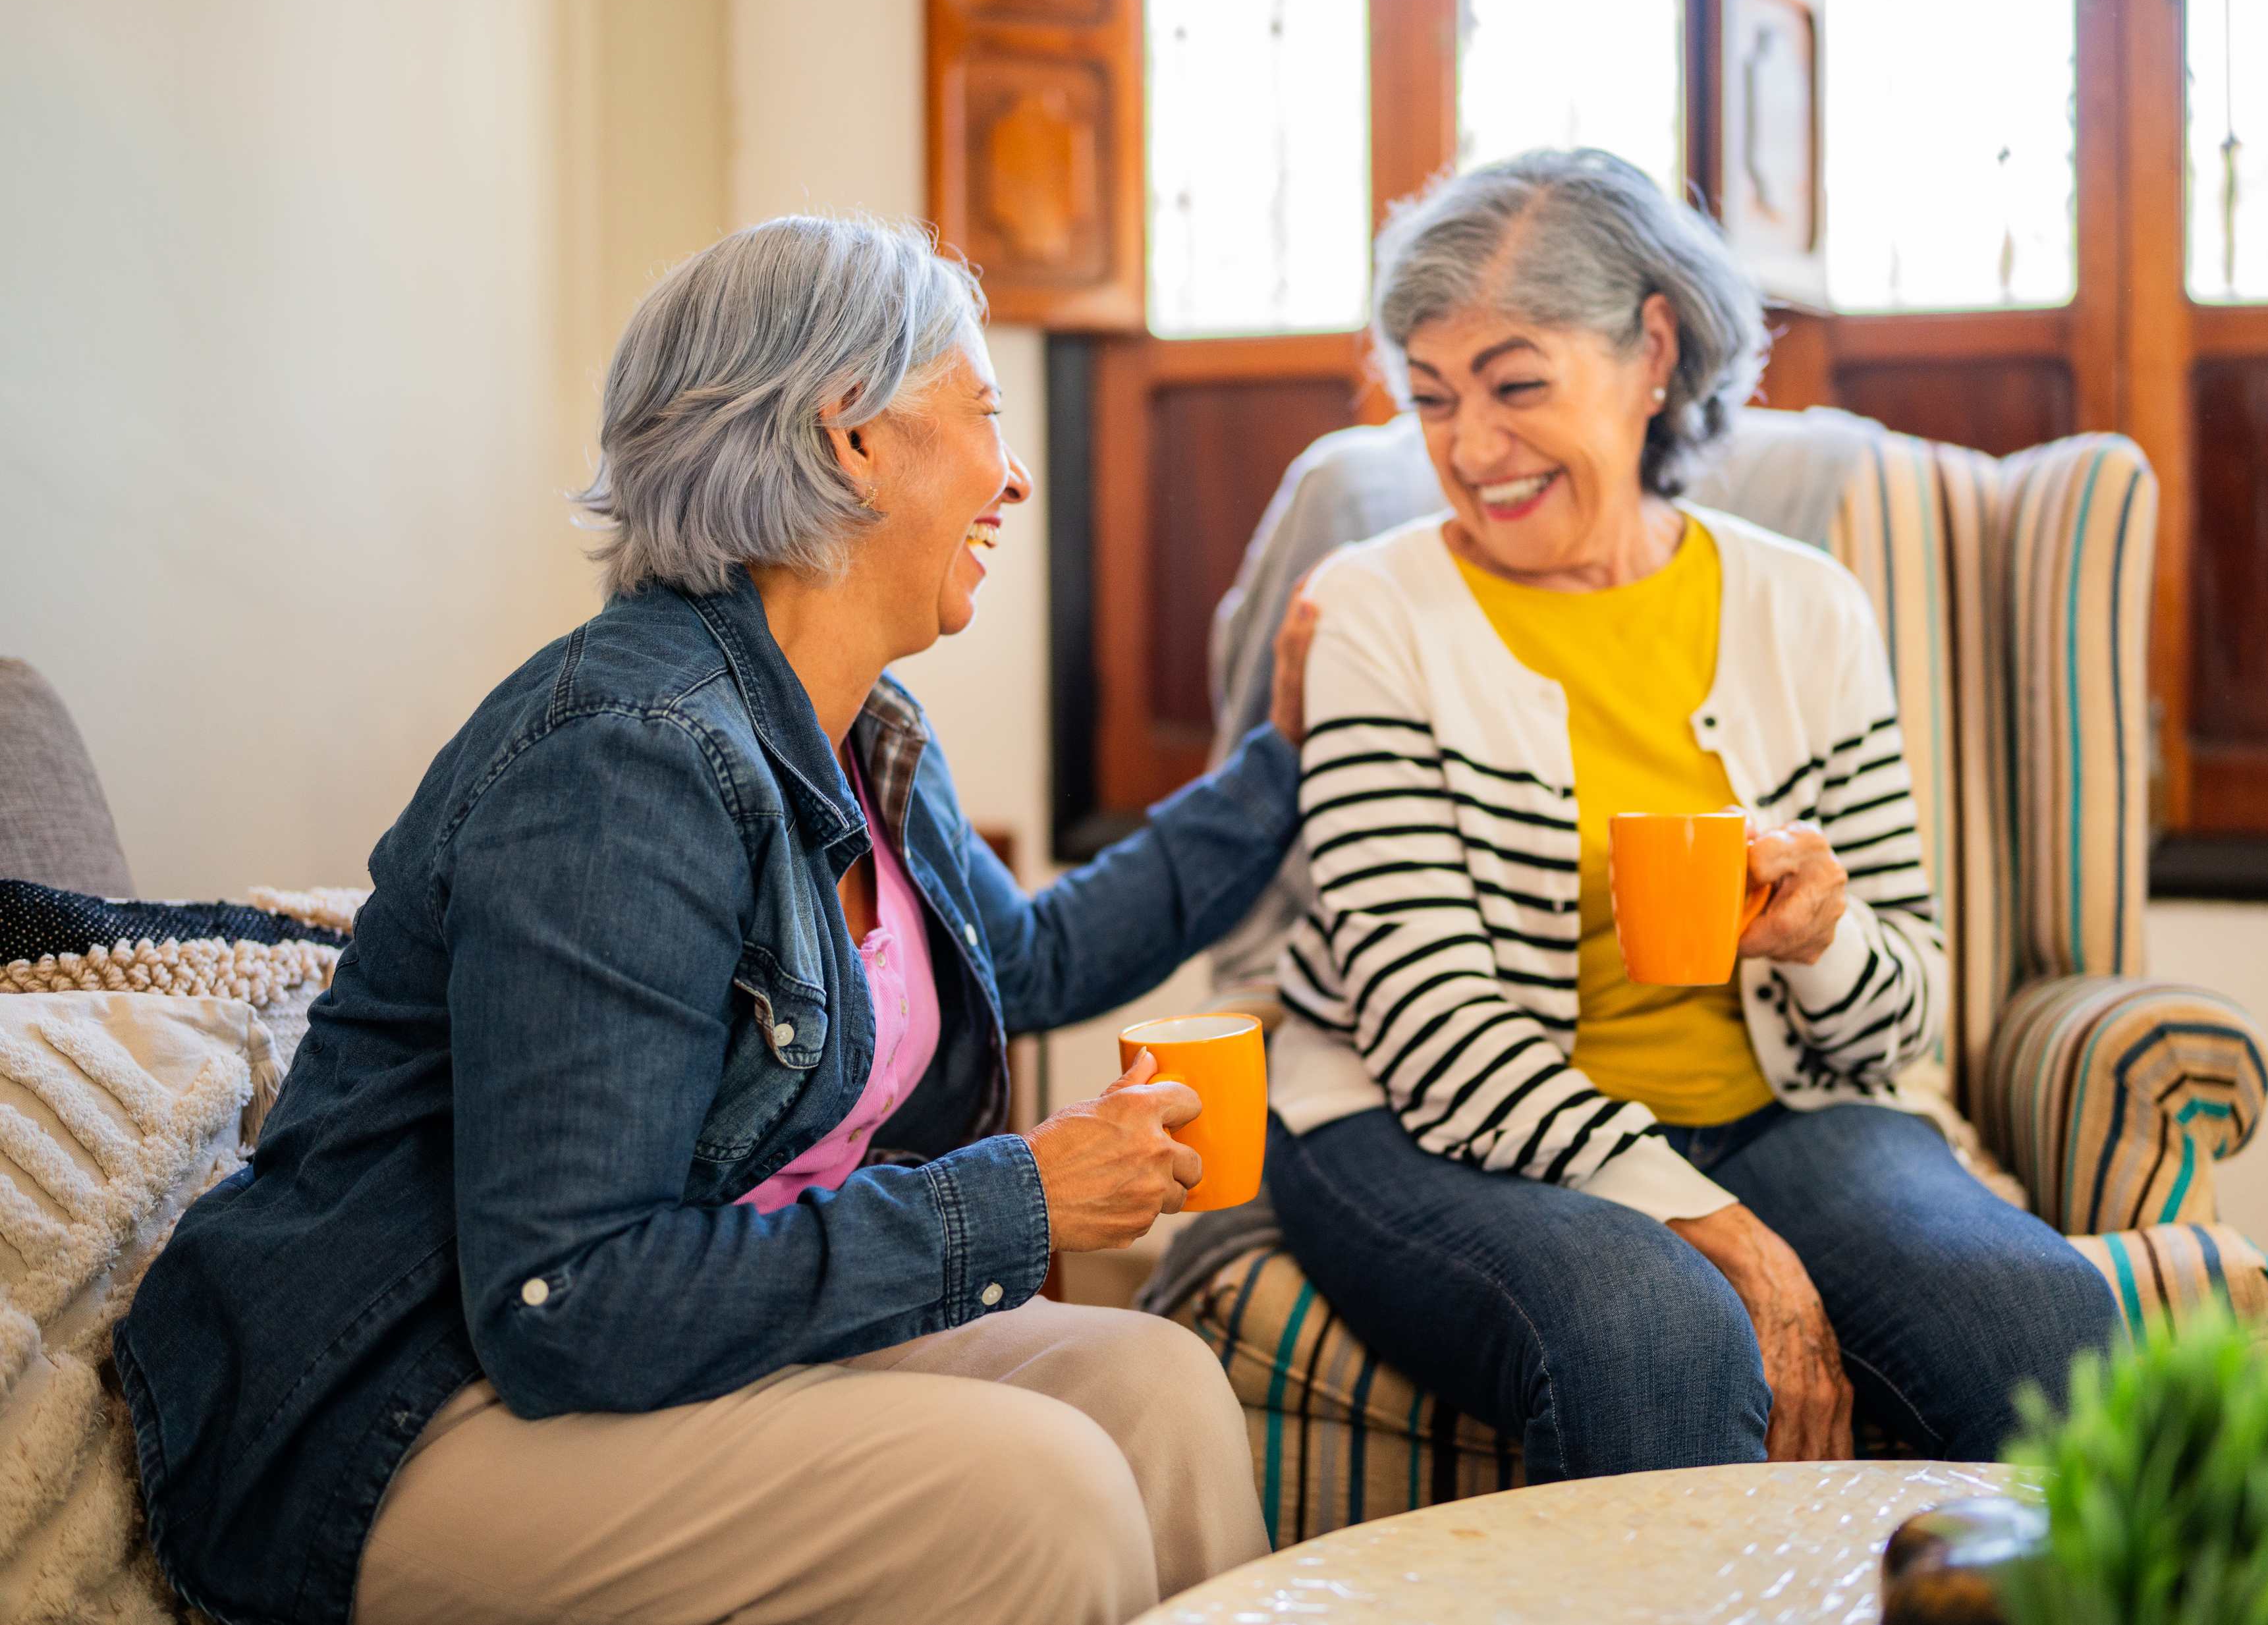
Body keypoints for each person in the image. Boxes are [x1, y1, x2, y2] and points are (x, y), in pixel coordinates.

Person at [116, 215, 1317, 1625]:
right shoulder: (626, 759)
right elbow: (571, 1296)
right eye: (984, 412)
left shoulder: (856, 727)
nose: (1018, 472)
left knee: (1159, 1387)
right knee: (1041, 1487)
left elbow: (1035, 956)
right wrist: (1020, 1197)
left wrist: (1280, 765)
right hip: (406, 1406)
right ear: (852, 437)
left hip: (690, 1347)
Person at [1264, 149, 2120, 1481]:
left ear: (1652, 350)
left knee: (2047, 1328)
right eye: (1432, 399)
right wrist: (1726, 1232)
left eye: (1517, 385)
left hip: (1781, 1106)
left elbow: (1908, 1012)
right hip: (1409, 1121)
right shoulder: (1374, 610)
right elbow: (1431, 1029)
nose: (1470, 450)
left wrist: (1826, 941)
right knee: (1656, 1334)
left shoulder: (1807, 606)